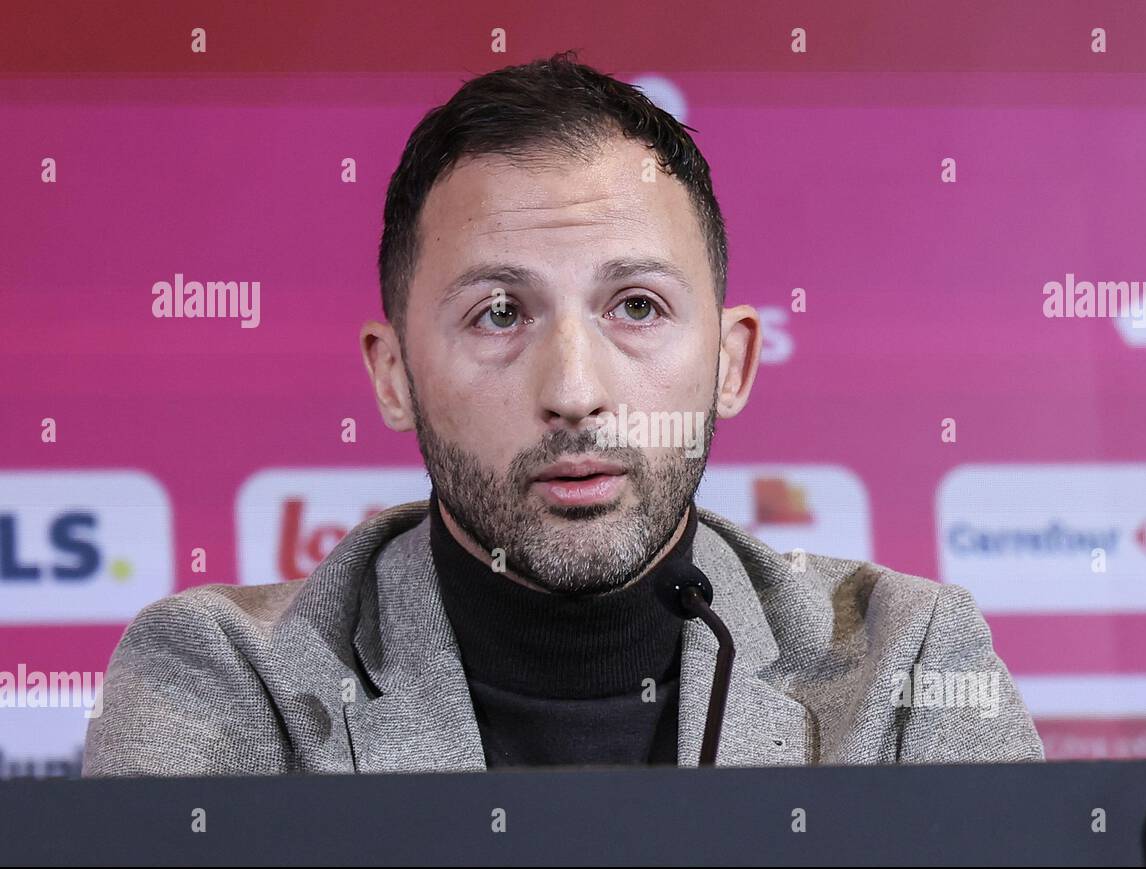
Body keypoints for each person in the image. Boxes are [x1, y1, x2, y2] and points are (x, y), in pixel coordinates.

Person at [83, 51, 1043, 776]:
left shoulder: (904, 665)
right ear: (394, 376)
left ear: (732, 361)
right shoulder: (223, 678)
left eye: (637, 307)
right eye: (498, 313)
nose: (574, 391)